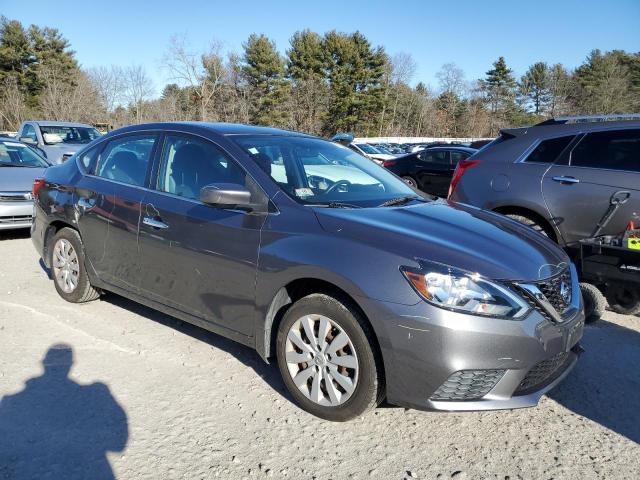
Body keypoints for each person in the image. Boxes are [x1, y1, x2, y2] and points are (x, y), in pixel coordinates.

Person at [0, 344, 128, 479]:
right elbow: (118, 445)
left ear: (43, 363)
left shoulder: (11, 400)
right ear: (72, 364)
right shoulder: (92, 394)